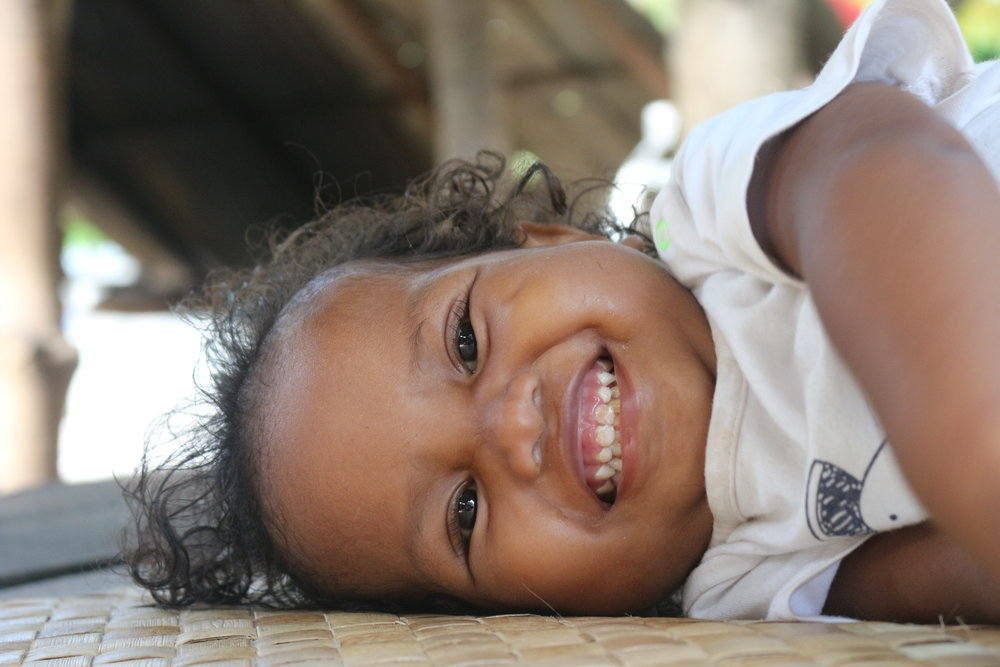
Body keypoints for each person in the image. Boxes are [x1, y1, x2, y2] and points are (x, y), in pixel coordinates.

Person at [126, 0, 1000, 622]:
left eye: (466, 339)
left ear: (543, 239)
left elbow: (881, 170)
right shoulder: (745, 587)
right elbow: (961, 577)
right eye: (464, 513)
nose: (512, 426)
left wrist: (964, 444)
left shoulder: (715, 210)